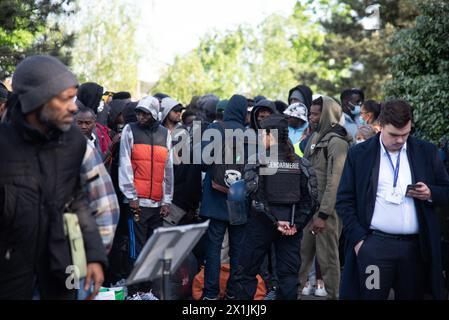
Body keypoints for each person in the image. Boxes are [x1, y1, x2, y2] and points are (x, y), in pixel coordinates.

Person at [0, 55, 108, 299]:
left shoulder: (73, 143)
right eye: (65, 98)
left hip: (61, 272)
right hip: (10, 279)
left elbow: (76, 200)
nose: (73, 106)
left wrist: (94, 256)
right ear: (38, 101)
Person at [336, 100, 449, 300]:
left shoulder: (426, 152)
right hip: (374, 248)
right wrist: (360, 241)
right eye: (394, 135)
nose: (400, 140)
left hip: (415, 250)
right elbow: (345, 200)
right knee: (371, 296)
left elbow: (445, 190)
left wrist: (430, 193)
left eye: (405, 134)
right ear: (380, 126)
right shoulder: (360, 154)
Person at [234, 114, 317, 300]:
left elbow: (254, 199)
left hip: (262, 226)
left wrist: (276, 223)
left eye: (261, 134)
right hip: (291, 228)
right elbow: (311, 200)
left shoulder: (258, 161)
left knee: (245, 273)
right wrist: (296, 224)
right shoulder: (301, 163)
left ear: (270, 135)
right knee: (288, 277)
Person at [298, 96, 352, 300]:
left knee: (328, 260)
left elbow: (335, 181)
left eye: (315, 113)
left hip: (326, 213)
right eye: (310, 113)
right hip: (308, 209)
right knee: (301, 257)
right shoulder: (314, 138)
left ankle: (334, 295)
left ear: (328, 114)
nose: (311, 117)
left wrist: (323, 214)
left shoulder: (338, 142)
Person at [200, 94, 248, 300]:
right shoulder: (250, 134)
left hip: (214, 197)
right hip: (239, 201)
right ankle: (232, 294)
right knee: (237, 252)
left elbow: (202, 163)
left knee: (213, 250)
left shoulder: (215, 129)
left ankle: (210, 294)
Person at [119, 96, 173, 259]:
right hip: (137, 202)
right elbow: (125, 163)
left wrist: (167, 200)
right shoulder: (130, 130)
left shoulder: (165, 134)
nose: (141, 117)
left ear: (155, 114)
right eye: (139, 113)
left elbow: (168, 169)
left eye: (146, 114)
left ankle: (148, 284)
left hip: (157, 203)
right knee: (137, 246)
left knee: (153, 248)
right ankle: (135, 284)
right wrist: (131, 196)